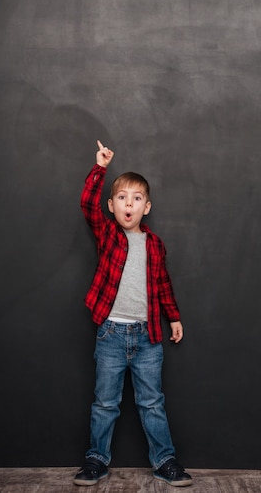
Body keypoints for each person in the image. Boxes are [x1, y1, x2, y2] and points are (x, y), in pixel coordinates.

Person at [74, 140, 192, 487]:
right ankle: (96, 459)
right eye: (122, 197)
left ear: (147, 206)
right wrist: (100, 169)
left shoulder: (154, 244)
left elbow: (164, 284)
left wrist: (174, 316)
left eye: (137, 198)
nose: (129, 203)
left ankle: (165, 461)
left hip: (147, 337)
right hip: (111, 333)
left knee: (152, 403)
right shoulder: (108, 234)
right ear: (112, 206)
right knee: (105, 404)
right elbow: (86, 205)